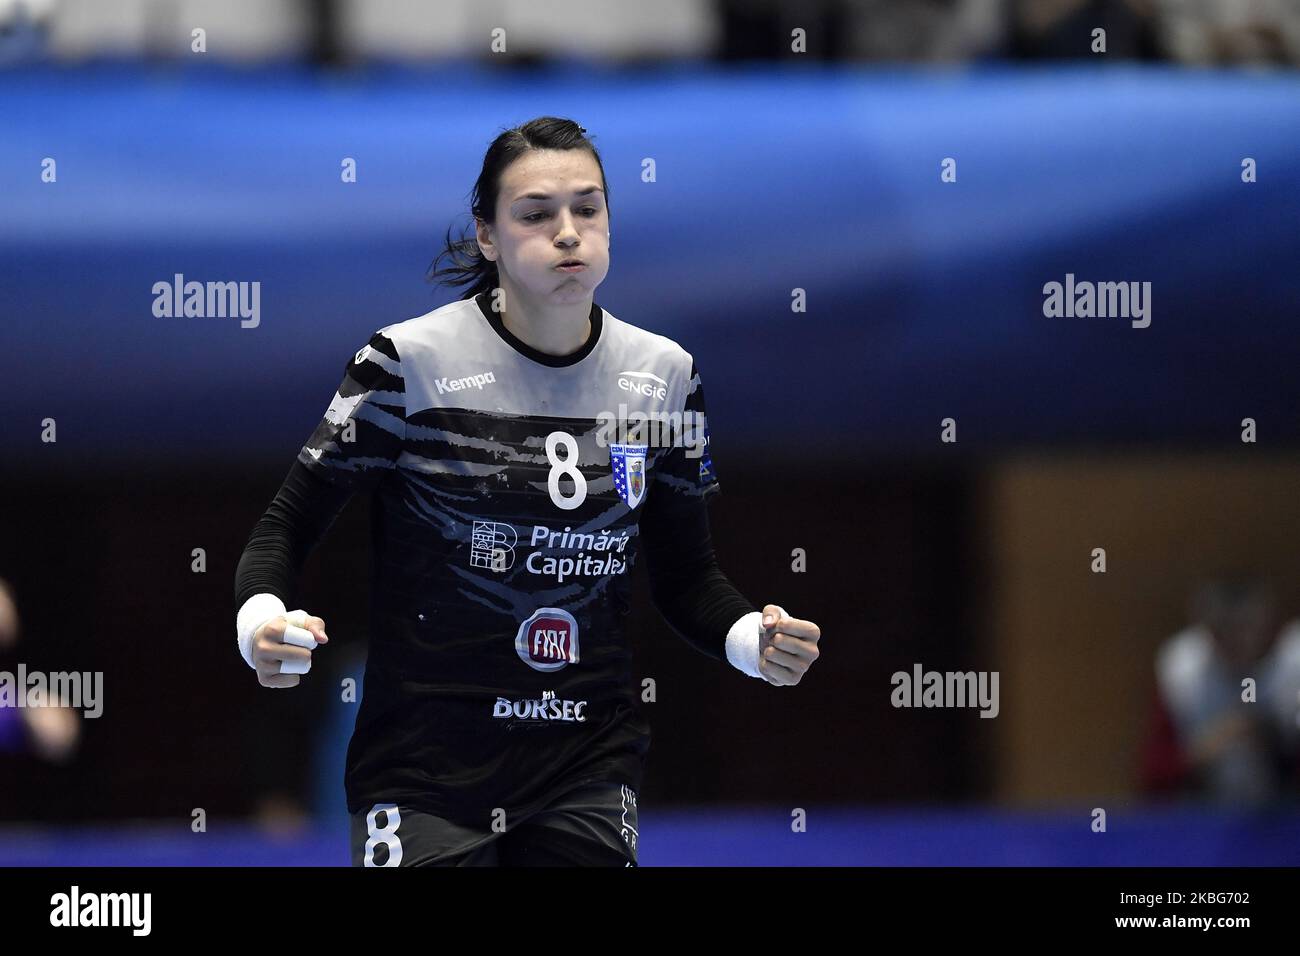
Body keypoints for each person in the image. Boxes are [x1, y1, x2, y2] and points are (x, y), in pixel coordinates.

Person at [234, 116, 822, 866]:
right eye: (537, 214)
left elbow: (687, 577)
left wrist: (751, 640)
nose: (569, 232)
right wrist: (260, 623)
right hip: (423, 765)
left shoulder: (665, 376)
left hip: (585, 760)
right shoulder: (407, 363)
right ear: (487, 236)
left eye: (588, 208)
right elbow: (282, 530)